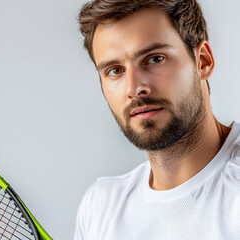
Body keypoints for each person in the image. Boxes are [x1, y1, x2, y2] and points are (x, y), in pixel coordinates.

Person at [74, 0, 240, 239]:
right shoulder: (100, 206)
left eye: (154, 59)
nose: (134, 88)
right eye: (115, 70)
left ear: (203, 61)